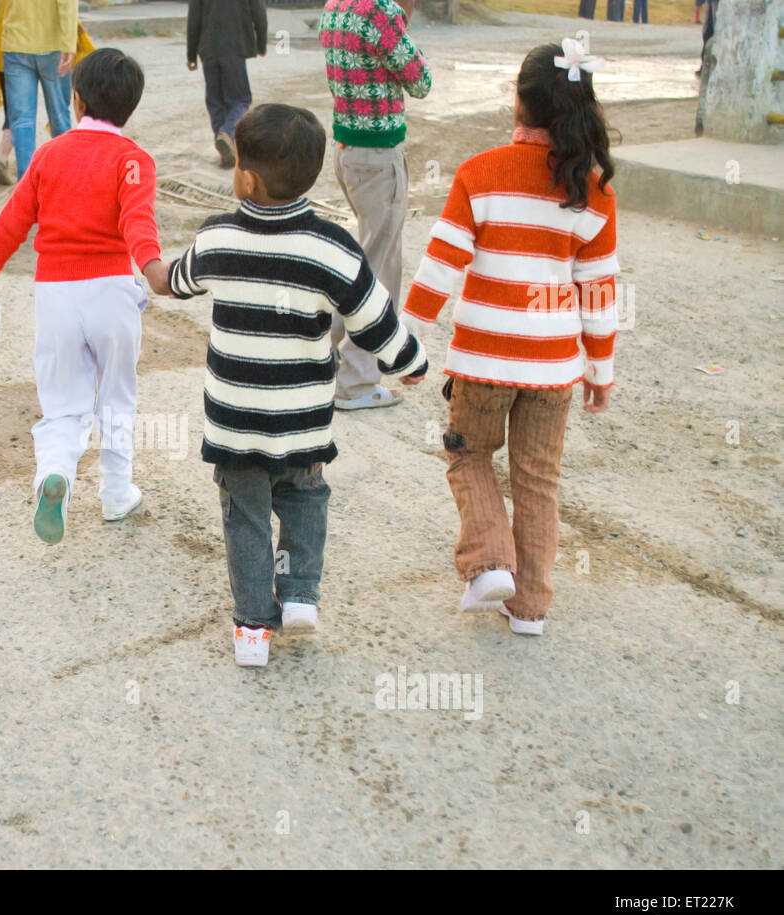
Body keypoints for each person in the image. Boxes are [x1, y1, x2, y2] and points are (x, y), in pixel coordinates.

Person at [166, 104, 428, 668]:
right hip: (303, 418)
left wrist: (151, 272)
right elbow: (376, 321)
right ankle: (301, 592)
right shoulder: (333, 248)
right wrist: (411, 360)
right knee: (306, 499)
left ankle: (253, 630)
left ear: (246, 177)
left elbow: (179, 280)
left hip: (236, 421)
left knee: (246, 516)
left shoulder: (217, 239)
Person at [400, 39, 619, 636]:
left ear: (519, 104)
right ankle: (531, 607)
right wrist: (600, 372)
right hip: (553, 368)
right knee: (537, 480)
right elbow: (599, 294)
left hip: (484, 359)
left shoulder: (480, 172)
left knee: (468, 454)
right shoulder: (594, 192)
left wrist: (406, 340)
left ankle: (491, 563)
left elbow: (441, 263)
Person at [0, 49, 168, 544]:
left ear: (75, 101)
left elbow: (12, 224)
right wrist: (152, 266)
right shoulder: (134, 160)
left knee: (63, 402)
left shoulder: (49, 154)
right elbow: (138, 221)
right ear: (131, 107)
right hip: (112, 292)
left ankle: (56, 474)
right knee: (117, 395)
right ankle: (116, 494)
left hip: (55, 294)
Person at [319, 0, 431, 411]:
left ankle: (327, 359)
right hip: (379, 156)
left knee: (361, 263)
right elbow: (421, 81)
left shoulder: (337, 5)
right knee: (379, 273)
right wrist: (403, 16)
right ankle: (356, 381)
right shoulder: (382, 11)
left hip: (347, 150)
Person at [0, 0, 78, 176]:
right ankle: (65, 176)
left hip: (15, 48)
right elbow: (67, 4)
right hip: (53, 48)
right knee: (59, 115)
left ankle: (26, 183)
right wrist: (69, 44)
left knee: (21, 120)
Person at [186, 0, 268, 167]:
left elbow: (193, 20)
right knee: (240, 99)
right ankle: (227, 134)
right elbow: (260, 14)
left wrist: (191, 55)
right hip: (234, 48)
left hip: (208, 49)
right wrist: (261, 44)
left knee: (215, 102)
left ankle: (225, 148)